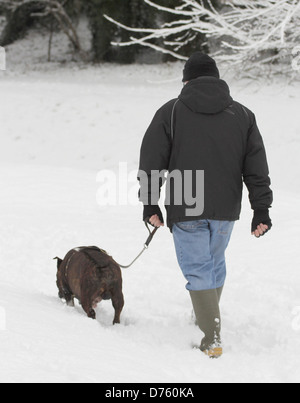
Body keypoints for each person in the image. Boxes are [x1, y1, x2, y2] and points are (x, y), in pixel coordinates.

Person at [138, 52, 273, 358]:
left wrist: (149, 204)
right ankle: (205, 312)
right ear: (217, 79)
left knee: (199, 268)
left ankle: (211, 338)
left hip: (186, 200)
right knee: (213, 262)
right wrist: (261, 209)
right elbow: (256, 168)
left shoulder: (170, 111)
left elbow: (151, 163)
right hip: (225, 206)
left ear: (186, 80)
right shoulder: (242, 115)